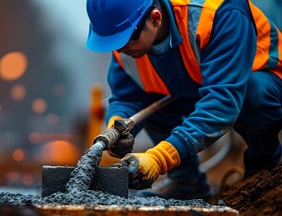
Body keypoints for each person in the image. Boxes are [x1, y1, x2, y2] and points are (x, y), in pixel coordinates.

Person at [85, 0, 282, 200]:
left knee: (256, 95)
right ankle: (186, 181)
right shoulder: (129, 39)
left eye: (125, 40)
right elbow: (127, 96)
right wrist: (117, 125)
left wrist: (159, 158)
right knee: (153, 97)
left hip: (259, 79)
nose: (120, 50)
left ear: (155, 18)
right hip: (196, 84)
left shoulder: (219, 13)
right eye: (114, 43)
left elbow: (222, 101)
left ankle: (264, 169)